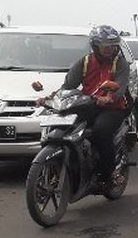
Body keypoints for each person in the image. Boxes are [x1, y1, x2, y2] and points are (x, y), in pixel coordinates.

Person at [37, 25, 131, 186]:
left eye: (112, 45)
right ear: (95, 46)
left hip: (113, 108)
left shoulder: (120, 63)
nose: (109, 49)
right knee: (64, 125)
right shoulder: (86, 62)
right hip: (89, 104)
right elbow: (68, 86)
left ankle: (110, 172)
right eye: (104, 46)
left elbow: (120, 87)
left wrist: (109, 97)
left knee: (101, 131)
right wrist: (50, 98)